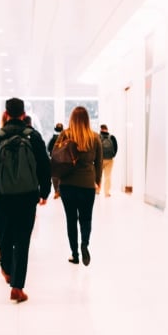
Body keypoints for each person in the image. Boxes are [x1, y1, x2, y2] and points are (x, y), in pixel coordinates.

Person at [0, 98, 51, 303]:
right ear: (23, 113)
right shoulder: (33, 136)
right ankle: (17, 287)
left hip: (3, 196)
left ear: (6, 113)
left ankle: (6, 269)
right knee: (22, 240)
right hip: (28, 196)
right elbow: (44, 166)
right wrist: (44, 192)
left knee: (4, 234)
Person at [56, 106, 102, 265]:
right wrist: (98, 183)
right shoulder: (95, 137)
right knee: (86, 218)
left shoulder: (65, 135)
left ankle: (74, 254)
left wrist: (56, 185)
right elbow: (99, 163)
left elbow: (55, 158)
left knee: (71, 219)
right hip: (87, 184)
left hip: (67, 184)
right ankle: (85, 244)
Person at [99, 124, 118, 197]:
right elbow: (116, 147)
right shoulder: (112, 137)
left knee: (99, 176)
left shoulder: (98, 137)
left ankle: (97, 190)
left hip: (100, 159)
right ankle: (106, 192)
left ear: (101, 129)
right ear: (107, 129)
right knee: (108, 176)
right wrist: (113, 155)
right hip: (110, 159)